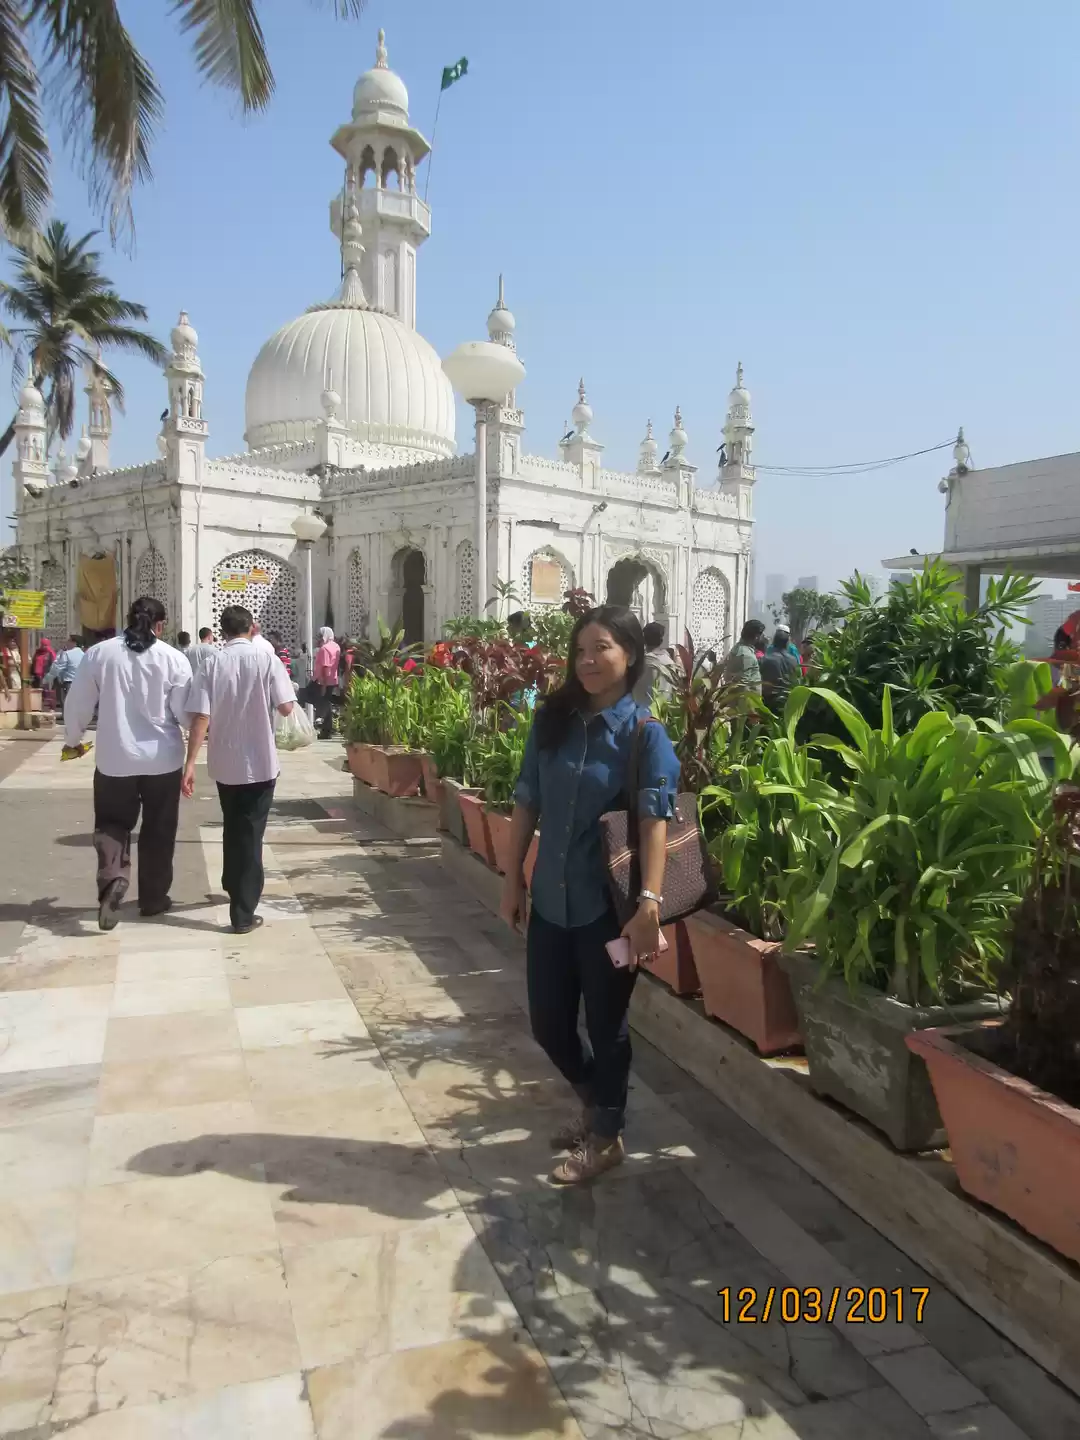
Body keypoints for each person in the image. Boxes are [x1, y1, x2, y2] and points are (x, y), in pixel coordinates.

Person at [499, 605, 680, 1186]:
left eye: (600, 648)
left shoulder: (644, 736)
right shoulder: (553, 722)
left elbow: (655, 823)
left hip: (609, 911)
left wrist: (650, 903)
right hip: (551, 900)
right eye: (580, 651)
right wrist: (511, 879)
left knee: (607, 1027)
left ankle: (606, 1136)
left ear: (629, 654)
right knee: (549, 1024)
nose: (587, 661)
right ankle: (596, 1105)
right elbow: (526, 800)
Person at [62, 597, 192, 929]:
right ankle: (153, 898)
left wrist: (73, 740)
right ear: (160, 625)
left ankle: (113, 879)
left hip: (114, 758)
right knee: (159, 830)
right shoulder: (174, 659)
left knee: (111, 823)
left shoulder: (100, 654)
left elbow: (78, 703)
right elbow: (185, 714)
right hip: (162, 760)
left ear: (127, 619)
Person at [183, 604, 295, 934]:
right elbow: (286, 707)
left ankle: (232, 884)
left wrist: (189, 764)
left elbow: (201, 717)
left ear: (223, 631)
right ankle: (243, 911)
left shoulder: (212, 663)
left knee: (233, 826)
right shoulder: (267, 660)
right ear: (252, 628)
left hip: (225, 762)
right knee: (251, 833)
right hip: (260, 761)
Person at [631, 621, 672, 709]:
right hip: (663, 713)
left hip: (641, 713)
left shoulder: (639, 662)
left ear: (644, 640)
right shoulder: (670, 662)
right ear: (661, 640)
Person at [760, 628, 801, 711]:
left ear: (774, 641)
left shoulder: (766, 659)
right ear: (787, 643)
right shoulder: (793, 660)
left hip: (769, 700)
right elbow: (798, 678)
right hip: (787, 700)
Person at [43, 635, 86, 714]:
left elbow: (58, 668)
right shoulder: (84, 655)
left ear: (74, 643)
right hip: (81, 682)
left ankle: (68, 720)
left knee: (67, 703)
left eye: (69, 641)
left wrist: (48, 678)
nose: (67, 642)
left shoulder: (67, 654)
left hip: (68, 682)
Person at [312, 625, 341, 739]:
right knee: (327, 704)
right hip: (332, 679)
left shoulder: (324, 649)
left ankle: (323, 724)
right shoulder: (336, 647)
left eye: (320, 635)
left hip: (323, 680)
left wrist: (323, 684)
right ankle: (327, 730)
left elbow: (325, 667)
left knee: (321, 702)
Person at [723, 619, 766, 693]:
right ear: (756, 636)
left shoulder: (738, 648)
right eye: (761, 634)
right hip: (747, 702)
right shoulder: (746, 655)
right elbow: (743, 686)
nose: (763, 636)